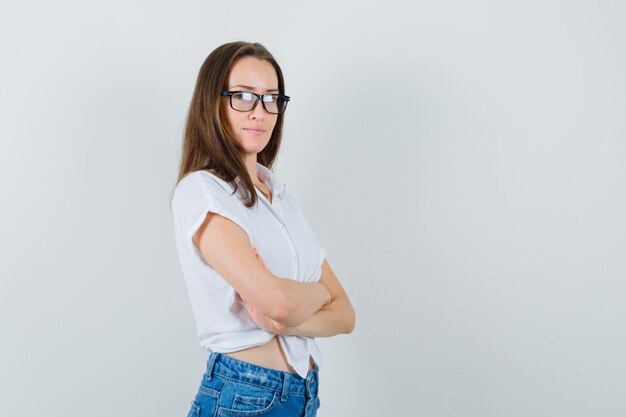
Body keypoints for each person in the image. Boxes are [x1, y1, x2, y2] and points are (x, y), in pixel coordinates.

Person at [170, 41, 356, 417]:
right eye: (243, 96)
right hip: (244, 394)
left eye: (271, 98)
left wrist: (287, 316)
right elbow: (279, 302)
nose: (260, 112)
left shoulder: (281, 197)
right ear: (213, 102)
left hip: (302, 395)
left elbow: (346, 316)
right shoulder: (203, 191)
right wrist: (319, 292)